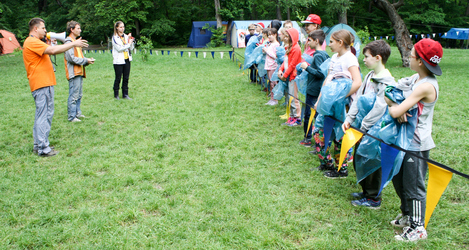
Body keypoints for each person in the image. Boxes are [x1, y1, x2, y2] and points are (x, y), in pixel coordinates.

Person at [385, 39, 443, 242]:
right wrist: (394, 103)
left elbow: (394, 111)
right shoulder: (414, 79)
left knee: (413, 186)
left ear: (419, 60)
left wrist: (395, 109)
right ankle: (407, 215)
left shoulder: (425, 86)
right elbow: (388, 91)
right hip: (402, 140)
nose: (408, 58)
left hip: (416, 144)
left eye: (410, 56)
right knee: (398, 179)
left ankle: (418, 227)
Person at [23, 17, 88, 157]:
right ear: (35, 29)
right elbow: (52, 51)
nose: (45, 31)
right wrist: (72, 44)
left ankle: (39, 144)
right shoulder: (32, 41)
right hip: (41, 83)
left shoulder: (35, 42)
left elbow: (49, 51)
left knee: (43, 114)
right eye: (43, 28)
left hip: (44, 82)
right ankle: (43, 148)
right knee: (44, 114)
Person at [341, 40, 393, 208]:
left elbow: (380, 107)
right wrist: (349, 118)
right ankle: (365, 190)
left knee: (372, 161)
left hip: (374, 130)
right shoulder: (370, 75)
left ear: (378, 58)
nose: (363, 59)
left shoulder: (386, 81)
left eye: (366, 57)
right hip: (361, 127)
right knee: (360, 158)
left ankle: (373, 197)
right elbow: (358, 99)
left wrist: (364, 127)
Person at [313, 29, 362, 178]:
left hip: (340, 105)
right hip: (327, 103)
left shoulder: (350, 58)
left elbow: (358, 82)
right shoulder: (334, 57)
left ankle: (341, 168)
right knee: (319, 132)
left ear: (341, 43)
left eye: (332, 41)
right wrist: (320, 99)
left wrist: (340, 97)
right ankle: (326, 162)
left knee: (339, 135)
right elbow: (327, 79)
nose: (328, 44)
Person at [299, 30, 329, 146]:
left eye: (309, 40)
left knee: (310, 115)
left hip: (314, 91)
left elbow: (321, 73)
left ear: (316, 41)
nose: (307, 42)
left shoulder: (318, 55)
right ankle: (318, 141)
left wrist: (307, 67)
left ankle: (308, 139)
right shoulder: (324, 54)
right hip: (317, 89)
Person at [64, 20, 95, 122]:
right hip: (74, 73)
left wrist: (87, 61)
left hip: (80, 72)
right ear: (71, 30)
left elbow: (79, 57)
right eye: (78, 28)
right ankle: (71, 117)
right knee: (73, 95)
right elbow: (71, 58)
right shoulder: (68, 42)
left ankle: (77, 113)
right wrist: (85, 60)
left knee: (79, 95)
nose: (80, 30)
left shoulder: (76, 42)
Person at [278, 28, 302, 127]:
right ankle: (292, 117)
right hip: (289, 76)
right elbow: (285, 61)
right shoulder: (289, 48)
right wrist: (280, 69)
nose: (286, 38)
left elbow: (292, 65)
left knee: (293, 97)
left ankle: (297, 118)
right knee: (289, 97)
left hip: (293, 77)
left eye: (288, 36)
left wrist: (284, 75)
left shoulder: (296, 48)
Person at [112, 21, 135, 100]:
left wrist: (130, 42)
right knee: (118, 77)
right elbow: (119, 48)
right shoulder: (115, 37)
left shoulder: (125, 36)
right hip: (118, 60)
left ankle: (125, 94)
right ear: (117, 28)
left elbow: (131, 48)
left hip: (127, 59)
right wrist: (128, 44)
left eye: (123, 27)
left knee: (126, 77)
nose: (123, 28)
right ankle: (116, 93)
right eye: (121, 27)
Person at [263, 28, 280, 105]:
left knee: (273, 82)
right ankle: (272, 98)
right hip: (268, 65)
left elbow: (275, 56)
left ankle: (275, 99)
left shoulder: (276, 45)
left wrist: (267, 51)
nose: (269, 36)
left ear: (275, 35)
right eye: (268, 35)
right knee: (270, 82)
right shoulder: (270, 43)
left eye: (271, 35)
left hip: (273, 66)